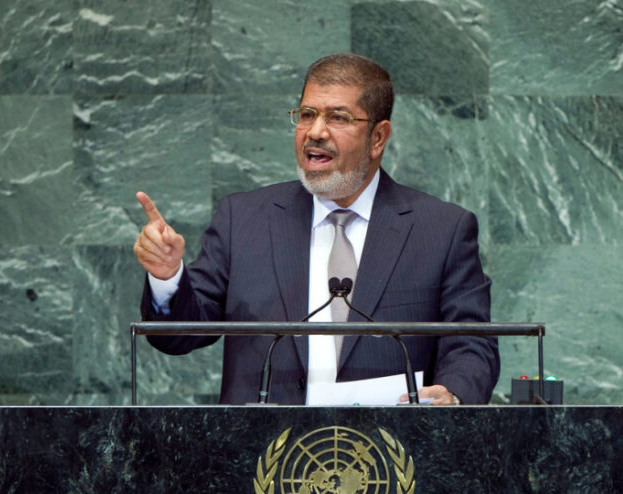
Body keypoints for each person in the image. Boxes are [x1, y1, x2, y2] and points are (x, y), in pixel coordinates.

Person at [134, 53, 499, 405]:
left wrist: (452, 394)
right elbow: (179, 336)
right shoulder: (243, 219)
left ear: (378, 137)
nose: (315, 131)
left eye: (338, 118)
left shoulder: (441, 230)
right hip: (264, 443)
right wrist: (167, 277)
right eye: (307, 115)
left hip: (388, 445)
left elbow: (472, 343)